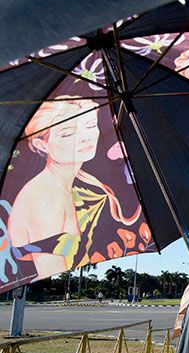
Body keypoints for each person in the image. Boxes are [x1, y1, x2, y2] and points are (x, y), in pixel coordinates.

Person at [6, 97, 142, 281]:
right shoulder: (43, 197)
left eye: (90, 125)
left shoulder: (81, 182)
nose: (85, 137)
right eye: (68, 133)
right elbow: (49, 273)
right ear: (42, 144)